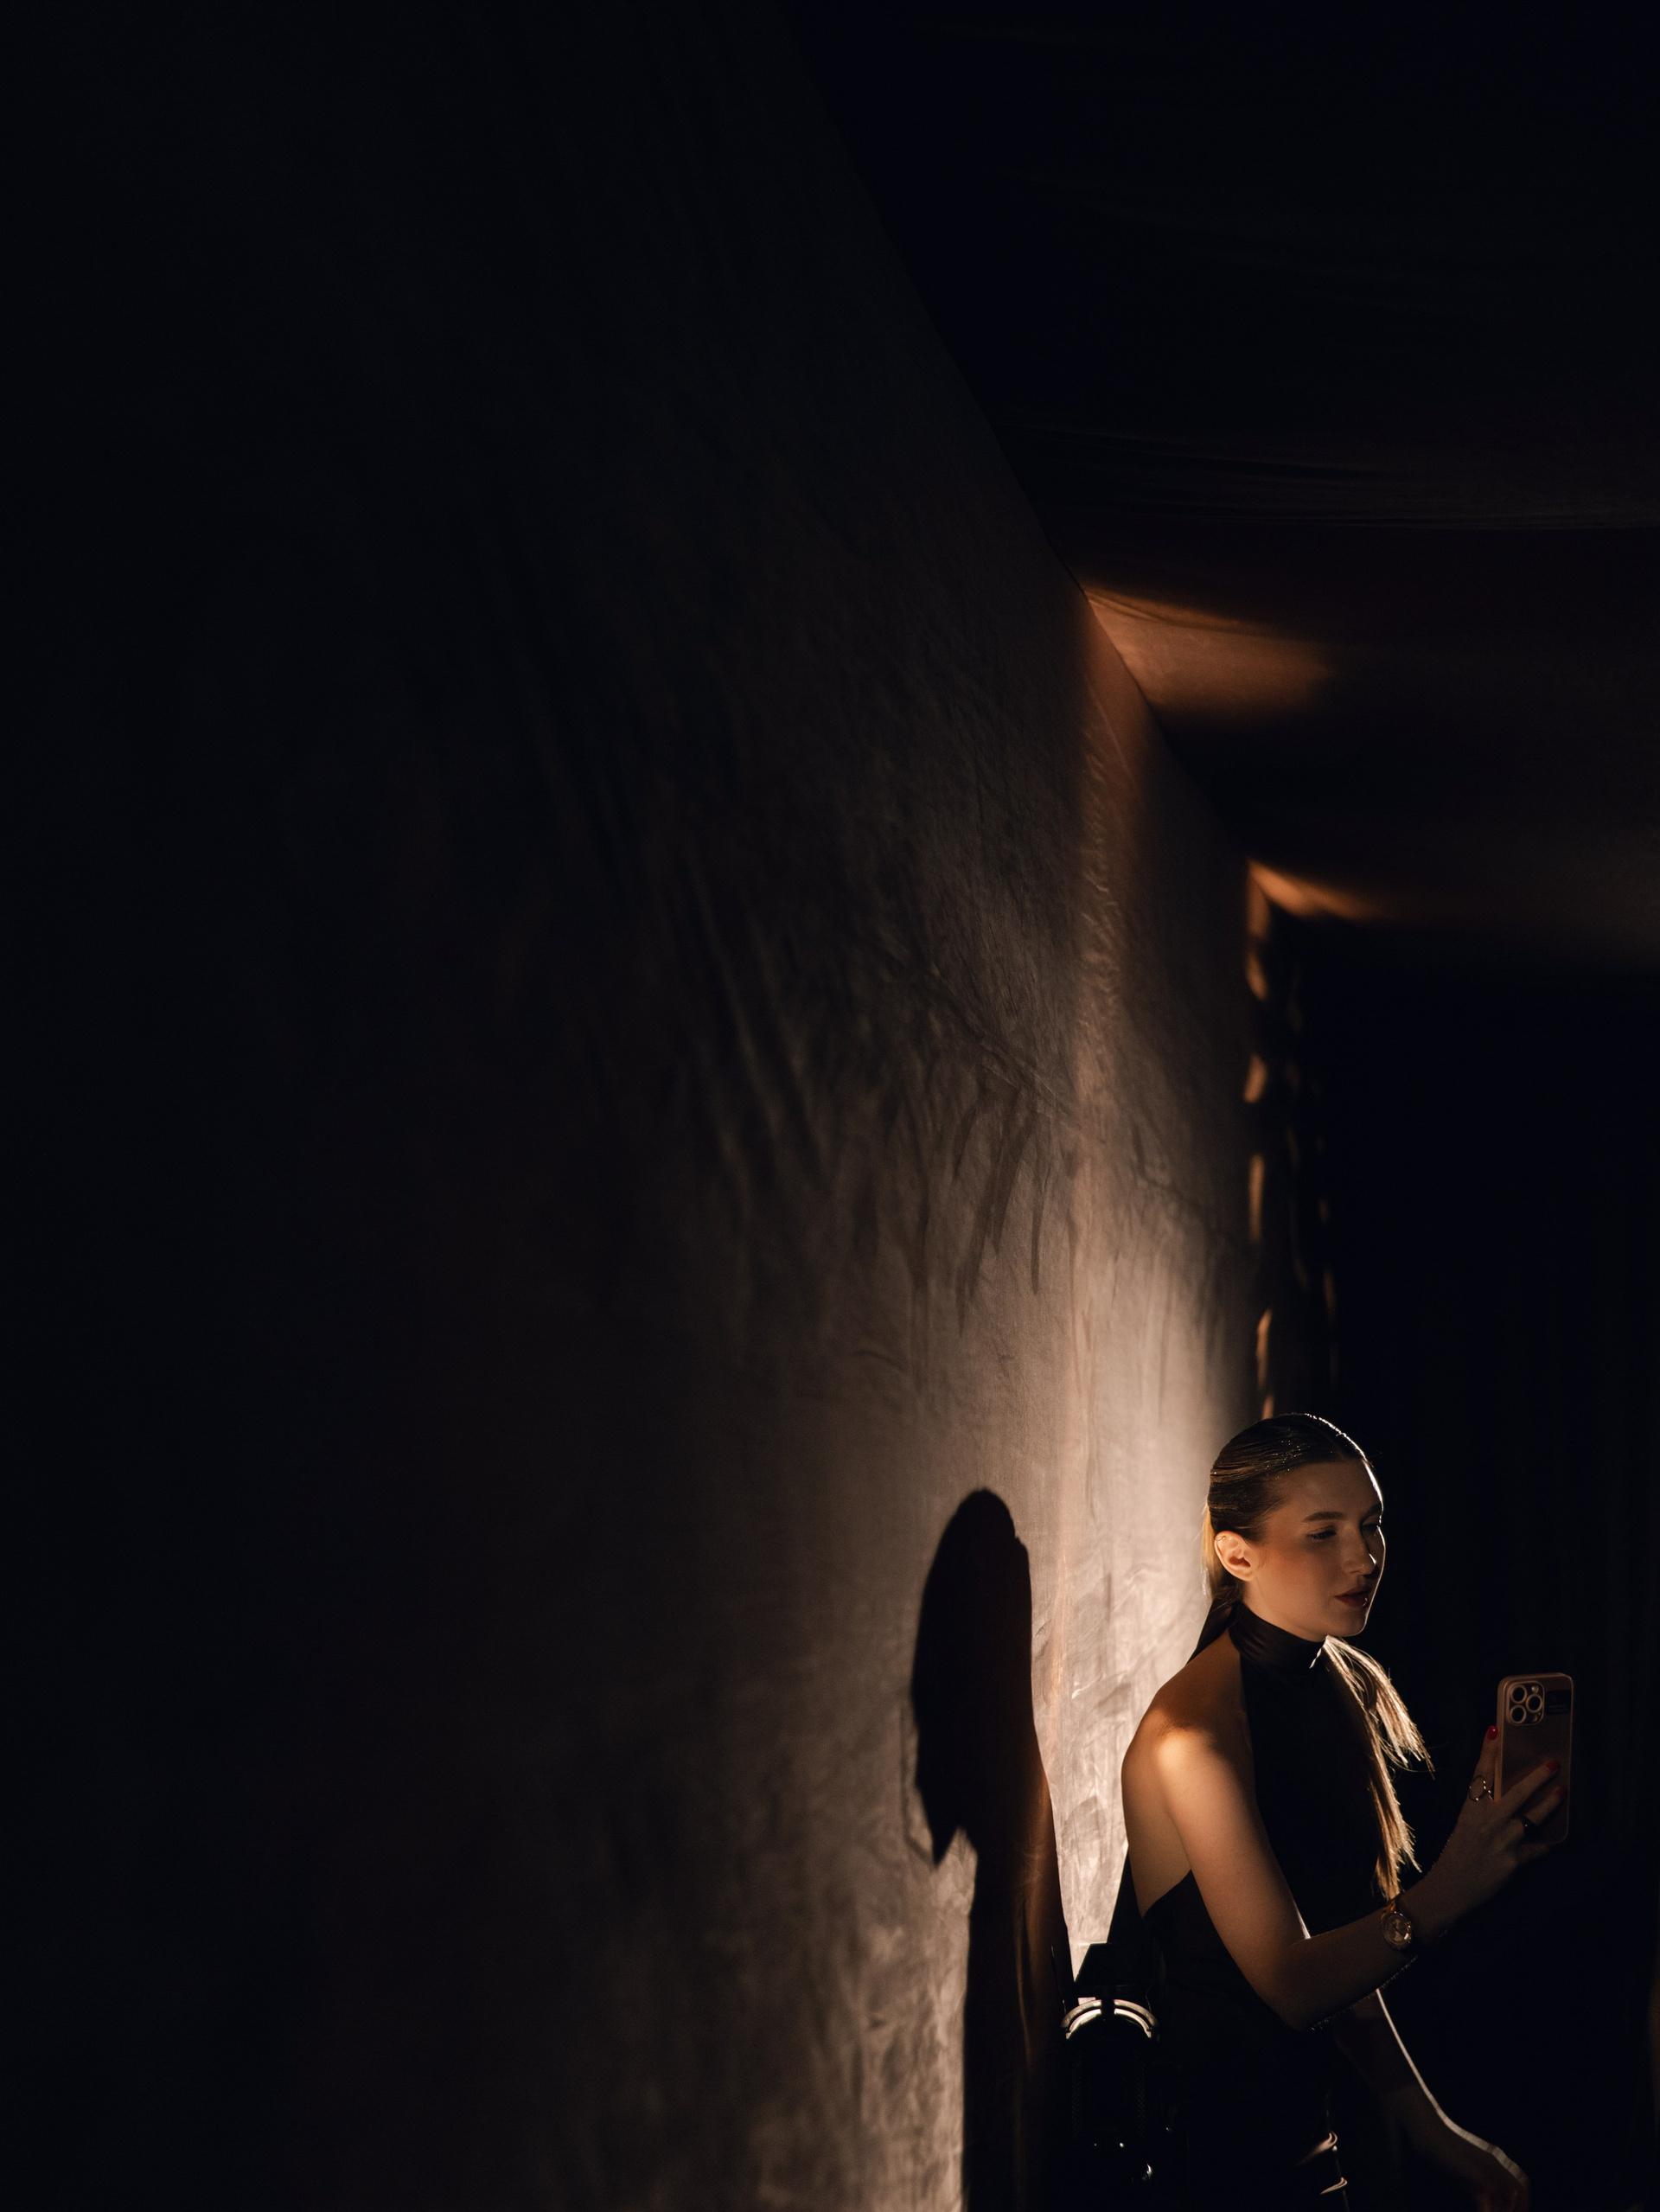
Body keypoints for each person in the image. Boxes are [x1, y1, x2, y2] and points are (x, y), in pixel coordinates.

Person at [1120, 1414, 1562, 2210]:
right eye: (1322, 1533)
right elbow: (1293, 1984)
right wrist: (1453, 1883)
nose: (1363, 1557)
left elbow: (1343, 1962)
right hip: (1211, 2175)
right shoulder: (1194, 1738)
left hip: (1312, 2157)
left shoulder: (1336, 1681)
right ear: (1237, 1553)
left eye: (1371, 1524)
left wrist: (1441, 2139)